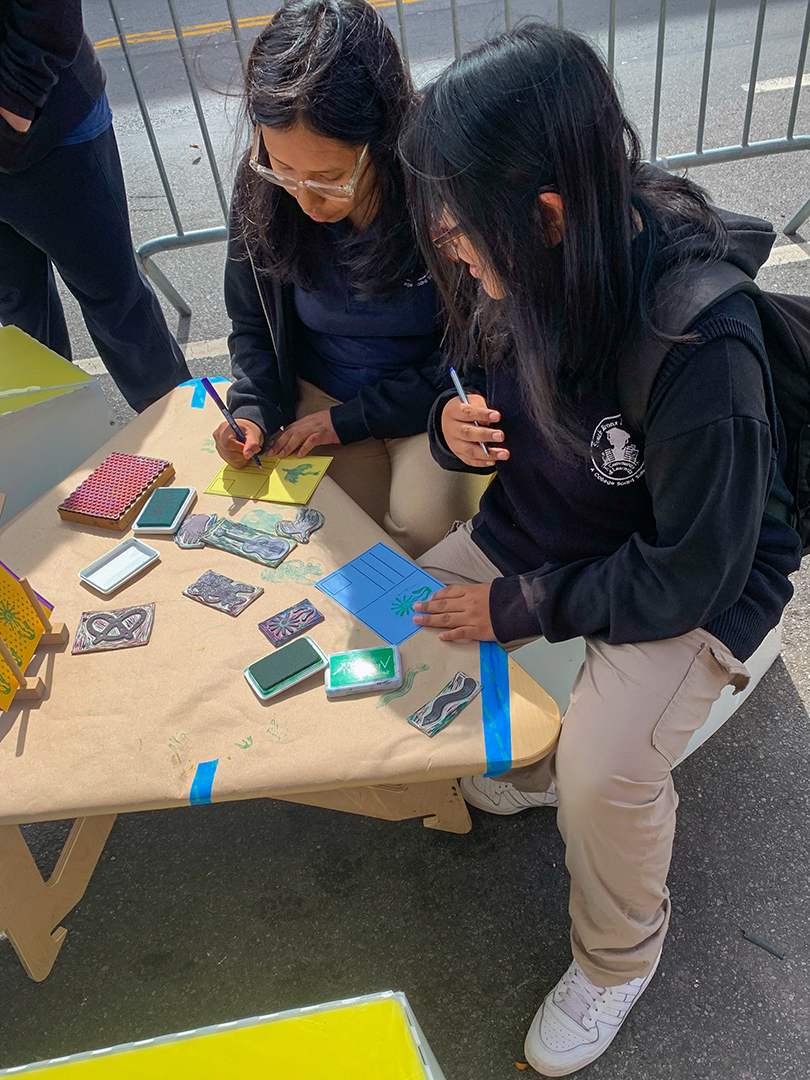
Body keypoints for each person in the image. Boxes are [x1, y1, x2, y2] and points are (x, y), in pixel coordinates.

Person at [400, 24, 802, 1076]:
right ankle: (537, 755)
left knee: (607, 767)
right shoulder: (527, 250)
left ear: (544, 215)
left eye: (461, 222)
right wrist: (453, 422)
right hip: (561, 525)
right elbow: (460, 363)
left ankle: (620, 957)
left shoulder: (698, 342)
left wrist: (518, 606)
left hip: (693, 575)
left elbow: (689, 571)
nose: (446, 237)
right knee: (393, 618)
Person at [217, 0, 482, 557]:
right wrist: (253, 408)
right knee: (331, 539)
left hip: (427, 400)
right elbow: (251, 323)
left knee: (426, 527)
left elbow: (482, 347)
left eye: (331, 178)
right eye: (282, 169)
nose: (305, 199)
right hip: (318, 393)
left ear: (381, 137)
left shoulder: (440, 186)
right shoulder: (262, 189)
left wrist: (356, 419)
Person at [0, 0, 190, 413]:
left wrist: (15, 100)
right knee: (17, 312)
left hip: (51, 129)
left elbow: (50, 15)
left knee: (115, 304)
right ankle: (59, 444)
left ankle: (185, 436)